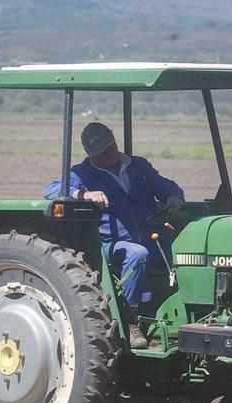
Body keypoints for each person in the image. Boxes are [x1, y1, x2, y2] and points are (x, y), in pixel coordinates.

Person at [44, 122, 184, 348]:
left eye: (110, 146)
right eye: (102, 152)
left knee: (184, 250)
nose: (109, 153)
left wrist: (175, 196)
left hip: (149, 235)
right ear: (89, 154)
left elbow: (164, 186)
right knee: (138, 255)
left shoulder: (138, 166)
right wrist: (84, 194)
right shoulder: (83, 173)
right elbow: (51, 190)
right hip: (112, 244)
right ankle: (130, 319)